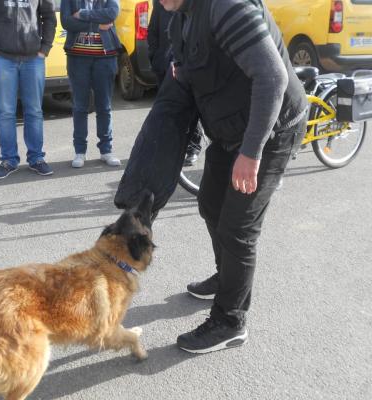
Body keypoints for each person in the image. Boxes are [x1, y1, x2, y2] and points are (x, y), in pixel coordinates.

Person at [116, 0, 308, 354]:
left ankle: (230, 320)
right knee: (209, 203)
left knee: (237, 226)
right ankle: (227, 277)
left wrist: (251, 153)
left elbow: (272, 76)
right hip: (228, 130)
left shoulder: (228, 7)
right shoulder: (180, 16)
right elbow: (188, 66)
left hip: (269, 130)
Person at [0, 0, 56, 180]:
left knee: (34, 110)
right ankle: (9, 160)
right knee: (5, 112)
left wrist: (44, 49)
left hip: (33, 58)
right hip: (2, 58)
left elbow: (49, 17)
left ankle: (37, 158)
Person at [61, 0, 122, 169]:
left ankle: (106, 150)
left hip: (105, 58)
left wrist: (82, 15)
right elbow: (66, 22)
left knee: (104, 106)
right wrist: (97, 25)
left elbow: (112, 14)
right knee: (80, 106)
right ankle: (80, 151)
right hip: (77, 58)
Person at [147, 0, 202, 166]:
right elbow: (153, 30)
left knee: (191, 109)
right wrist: (155, 57)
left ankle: (193, 148)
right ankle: (172, 147)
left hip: (186, 67)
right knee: (167, 110)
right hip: (163, 66)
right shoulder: (160, 3)